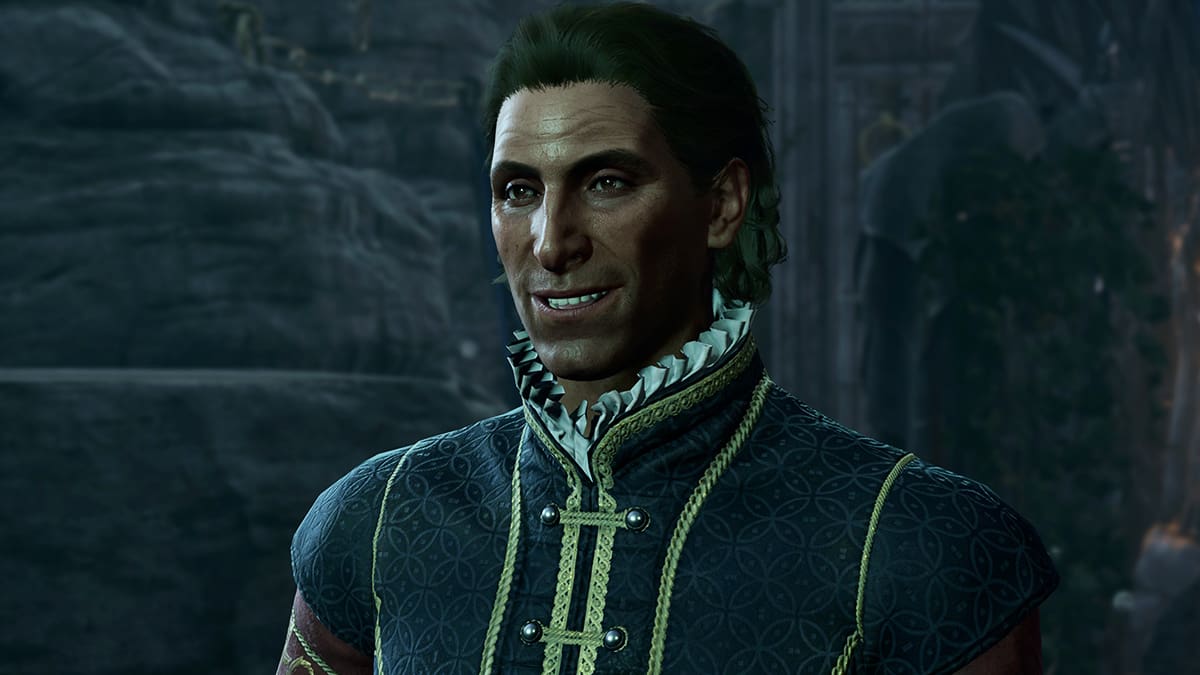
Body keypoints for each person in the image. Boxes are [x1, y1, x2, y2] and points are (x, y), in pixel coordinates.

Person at [277, 3, 1059, 674]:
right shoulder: (377, 518)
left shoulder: (921, 543)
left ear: (721, 205)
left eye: (606, 182)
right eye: (518, 190)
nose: (551, 242)